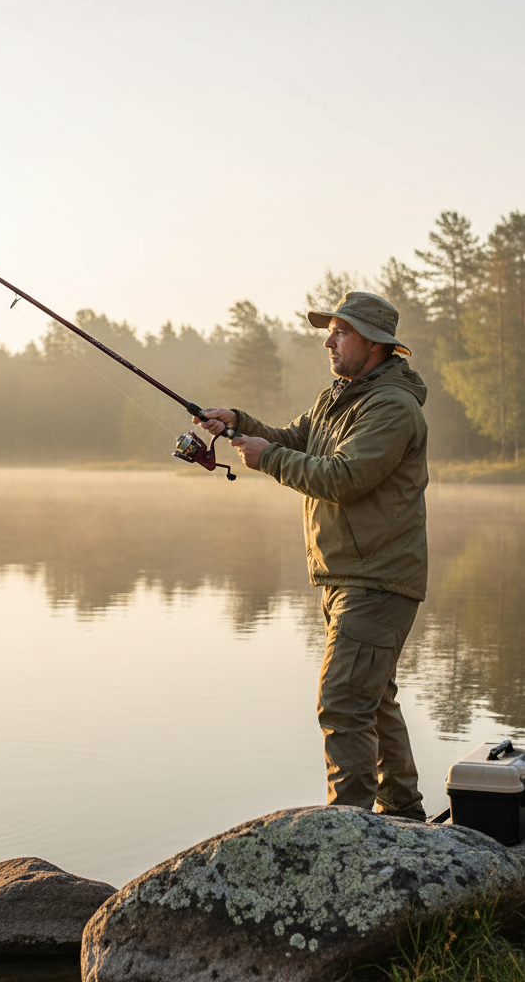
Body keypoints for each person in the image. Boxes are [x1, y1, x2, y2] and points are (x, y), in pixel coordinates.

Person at [196, 291, 428, 821]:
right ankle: (403, 815)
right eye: (330, 331)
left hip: (377, 579)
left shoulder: (391, 408)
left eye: (341, 332)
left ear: (374, 343)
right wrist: (239, 422)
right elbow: (293, 439)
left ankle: (348, 832)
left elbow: (344, 478)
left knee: (343, 701)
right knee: (373, 699)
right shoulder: (337, 399)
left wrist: (269, 459)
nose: (329, 341)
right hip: (349, 575)